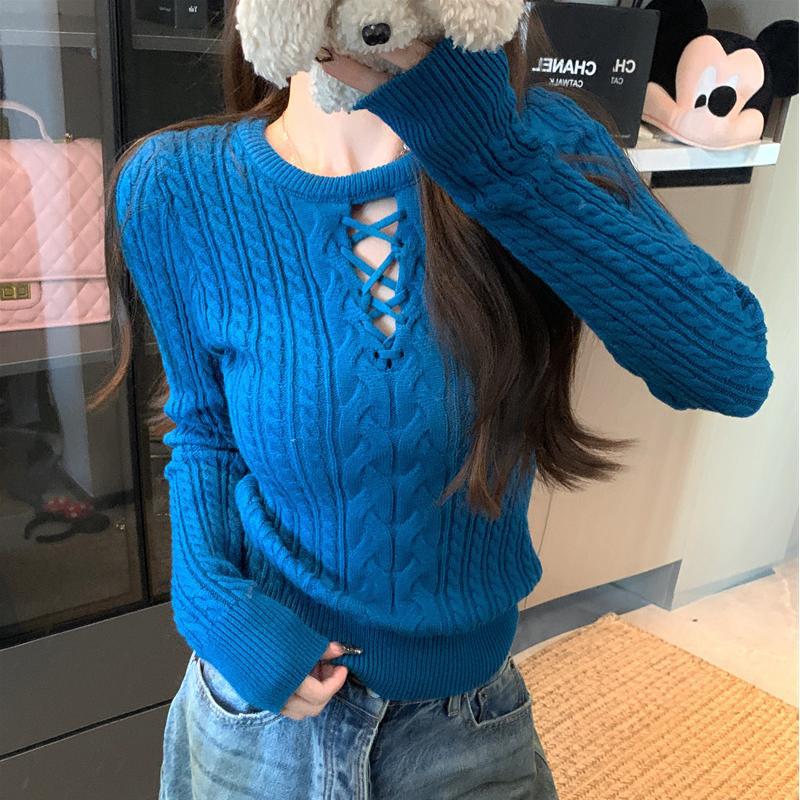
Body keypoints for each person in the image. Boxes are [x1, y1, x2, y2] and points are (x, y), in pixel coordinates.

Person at [104, 4, 773, 799]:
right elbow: (204, 428)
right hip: (257, 715)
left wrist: (492, 159)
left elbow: (730, 369)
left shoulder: (538, 141)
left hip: (463, 723)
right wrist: (211, 600)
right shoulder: (176, 186)